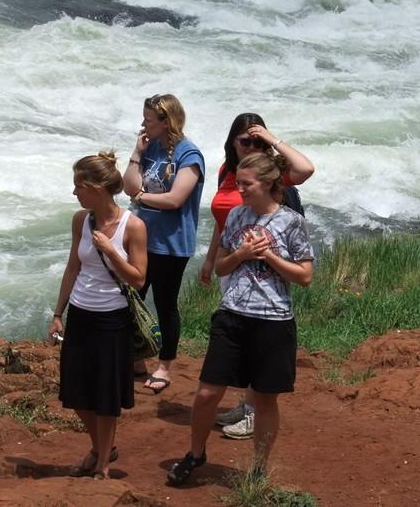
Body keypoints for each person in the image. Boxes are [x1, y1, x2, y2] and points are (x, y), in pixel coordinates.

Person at [168, 151, 315, 486]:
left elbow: (304, 276)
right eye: (238, 183)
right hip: (231, 315)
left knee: (264, 399)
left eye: (246, 184)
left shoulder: (292, 222)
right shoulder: (234, 216)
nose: (240, 190)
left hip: (273, 321)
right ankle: (195, 453)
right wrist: (241, 254)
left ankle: (259, 467)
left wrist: (267, 255)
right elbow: (221, 266)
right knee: (207, 393)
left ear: (266, 184)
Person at [198, 112, 314, 440]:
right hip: (234, 255)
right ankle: (246, 405)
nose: (251, 146)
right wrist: (211, 260)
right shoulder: (228, 173)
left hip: (266, 263)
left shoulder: (269, 175)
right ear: (232, 140)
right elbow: (225, 221)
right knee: (239, 334)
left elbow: (305, 169)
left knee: (259, 334)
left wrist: (271, 138)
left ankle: (252, 412)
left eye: (257, 141)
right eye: (245, 139)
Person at [48, 151, 148, 480]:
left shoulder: (133, 226)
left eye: (80, 186)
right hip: (80, 314)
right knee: (75, 392)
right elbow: (73, 267)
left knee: (106, 397)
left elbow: (137, 278)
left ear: (99, 187)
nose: (75, 192)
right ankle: (99, 447)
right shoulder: (81, 219)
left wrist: (110, 251)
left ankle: (103, 463)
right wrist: (58, 313)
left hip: (112, 320)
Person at [123, 94, 205, 394]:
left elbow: (174, 199)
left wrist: (141, 198)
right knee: (132, 299)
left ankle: (164, 366)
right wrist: (136, 152)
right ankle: (136, 358)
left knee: (165, 305)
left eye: (148, 119)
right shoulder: (152, 148)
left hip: (171, 243)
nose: (143, 123)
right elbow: (129, 186)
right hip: (142, 238)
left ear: (166, 121)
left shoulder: (189, 154)